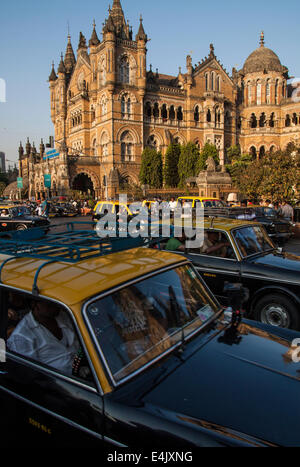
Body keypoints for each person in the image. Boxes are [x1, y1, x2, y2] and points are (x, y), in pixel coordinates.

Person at [7, 299, 80, 375]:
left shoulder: (63, 316)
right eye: (49, 303)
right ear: (34, 304)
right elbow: (29, 373)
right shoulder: (21, 336)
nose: (56, 305)